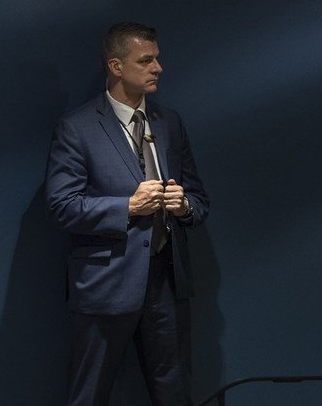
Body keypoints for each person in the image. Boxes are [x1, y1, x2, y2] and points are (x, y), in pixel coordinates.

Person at [44, 21, 210, 406]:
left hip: (166, 279)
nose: (159, 68)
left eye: (158, 58)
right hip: (107, 284)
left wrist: (184, 207)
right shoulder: (77, 128)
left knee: (174, 392)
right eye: (147, 60)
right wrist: (128, 207)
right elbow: (60, 206)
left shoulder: (170, 123)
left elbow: (199, 198)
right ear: (116, 66)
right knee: (90, 393)